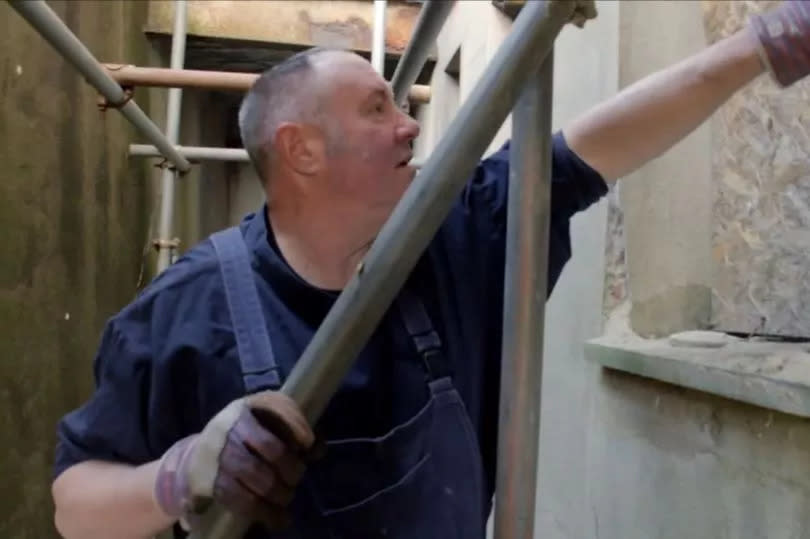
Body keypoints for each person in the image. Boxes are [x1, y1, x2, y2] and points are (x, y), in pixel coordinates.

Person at [51, 2, 810, 538]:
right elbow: (73, 505)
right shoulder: (183, 309)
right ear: (302, 149)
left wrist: (754, 47)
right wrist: (181, 473)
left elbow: (590, 149)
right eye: (378, 109)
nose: (411, 122)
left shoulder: (456, 237)